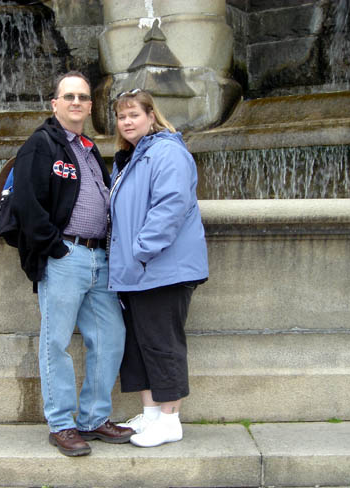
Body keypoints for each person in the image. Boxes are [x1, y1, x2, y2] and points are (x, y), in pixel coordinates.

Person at [10, 71, 133, 456]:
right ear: (55, 104)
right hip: (65, 256)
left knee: (111, 338)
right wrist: (56, 248)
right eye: (69, 97)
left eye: (82, 97)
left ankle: (94, 419)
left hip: (99, 258)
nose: (76, 102)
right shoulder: (40, 145)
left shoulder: (88, 147)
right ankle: (61, 424)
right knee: (56, 342)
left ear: (90, 106)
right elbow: (26, 204)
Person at [108, 89, 209, 448]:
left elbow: (171, 206)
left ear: (151, 116)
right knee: (139, 345)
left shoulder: (166, 151)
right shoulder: (131, 157)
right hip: (138, 272)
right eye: (122, 117)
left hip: (162, 269)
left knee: (163, 344)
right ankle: (151, 414)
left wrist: (140, 253)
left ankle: (170, 420)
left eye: (134, 114)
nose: (127, 121)